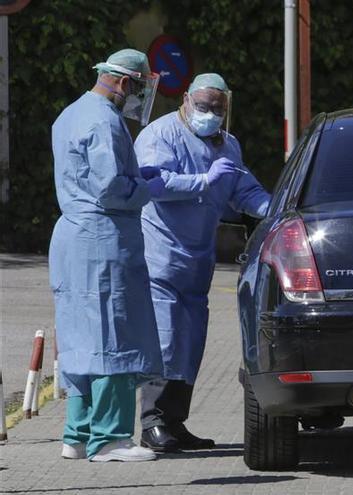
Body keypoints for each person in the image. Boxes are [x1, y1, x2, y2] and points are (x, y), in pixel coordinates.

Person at [134, 73, 271, 452]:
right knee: (165, 341)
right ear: (186, 99)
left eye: (218, 108)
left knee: (191, 343)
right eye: (204, 106)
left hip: (198, 262)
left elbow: (245, 190)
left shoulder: (228, 145)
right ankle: (152, 423)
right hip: (161, 257)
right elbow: (155, 185)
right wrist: (203, 181)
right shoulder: (160, 135)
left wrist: (276, 209)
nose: (210, 114)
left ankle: (175, 422)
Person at [49, 49, 164, 462]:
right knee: (114, 334)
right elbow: (111, 188)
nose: (135, 96)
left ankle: (76, 435)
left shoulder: (70, 113)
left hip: (72, 239)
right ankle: (110, 439)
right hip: (102, 238)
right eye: (137, 86)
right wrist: (149, 186)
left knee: (80, 337)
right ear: (123, 82)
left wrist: (135, 178)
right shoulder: (104, 119)